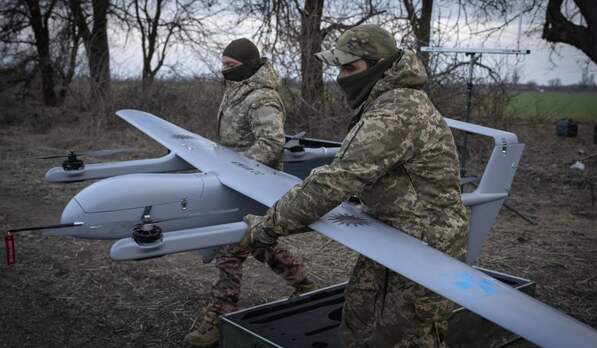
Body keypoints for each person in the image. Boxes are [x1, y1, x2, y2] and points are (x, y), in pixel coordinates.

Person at [240, 25, 468, 347]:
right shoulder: (385, 101)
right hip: (393, 233)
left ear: (378, 65)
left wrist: (267, 227)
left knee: (405, 337)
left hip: (426, 246)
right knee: (359, 319)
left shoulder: (397, 112)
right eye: (340, 67)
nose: (342, 77)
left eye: (350, 68)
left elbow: (335, 180)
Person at [184, 38, 318, 348]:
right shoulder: (237, 90)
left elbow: (271, 143)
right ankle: (306, 285)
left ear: (247, 64)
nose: (225, 71)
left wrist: (236, 168)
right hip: (234, 182)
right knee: (258, 243)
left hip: (254, 184)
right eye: (224, 65)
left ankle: (218, 317)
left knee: (230, 249)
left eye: (231, 66)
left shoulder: (262, 98)